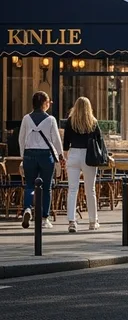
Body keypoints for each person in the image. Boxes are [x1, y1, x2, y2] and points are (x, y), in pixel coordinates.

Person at [18, 91, 64, 230]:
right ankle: (45, 217)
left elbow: (21, 138)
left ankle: (27, 208)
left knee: (30, 185)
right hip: (45, 155)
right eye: (48, 101)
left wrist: (23, 155)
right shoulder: (51, 120)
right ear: (44, 103)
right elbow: (56, 139)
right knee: (46, 187)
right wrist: (61, 155)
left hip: (29, 154)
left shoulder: (26, 118)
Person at [64, 97, 102, 232]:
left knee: (72, 189)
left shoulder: (70, 121)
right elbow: (100, 141)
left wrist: (66, 157)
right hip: (89, 156)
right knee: (90, 190)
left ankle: (72, 221)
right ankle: (93, 221)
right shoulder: (93, 122)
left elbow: (65, 142)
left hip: (73, 153)